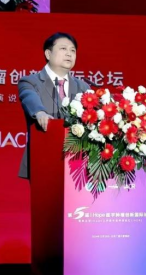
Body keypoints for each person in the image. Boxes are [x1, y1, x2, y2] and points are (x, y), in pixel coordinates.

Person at [17, 33, 91, 179]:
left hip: (78, 163)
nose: (69, 53)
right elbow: (29, 96)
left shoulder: (83, 87)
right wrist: (39, 112)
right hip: (43, 160)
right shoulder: (30, 81)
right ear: (48, 54)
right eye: (63, 48)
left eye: (73, 50)